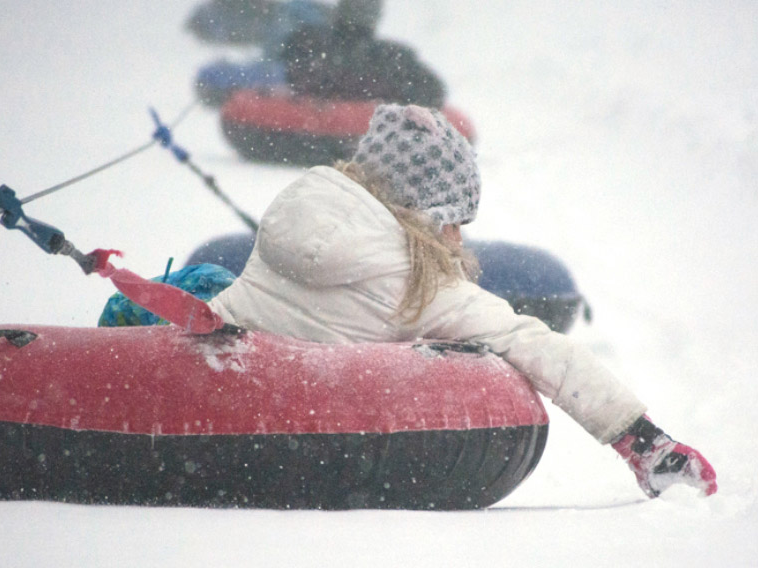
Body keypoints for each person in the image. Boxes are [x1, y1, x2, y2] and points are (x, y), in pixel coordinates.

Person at [207, 103, 718, 499]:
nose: (457, 238)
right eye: (455, 221)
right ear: (432, 215)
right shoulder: (423, 286)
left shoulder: (291, 215)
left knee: (211, 287)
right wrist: (642, 439)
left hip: (222, 409)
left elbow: (237, 310)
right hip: (315, 441)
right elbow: (534, 344)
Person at [275, 0, 446, 108]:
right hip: (363, 133)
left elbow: (278, 74)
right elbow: (433, 91)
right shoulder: (394, 57)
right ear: (376, 16)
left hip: (297, 129)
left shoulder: (308, 41)